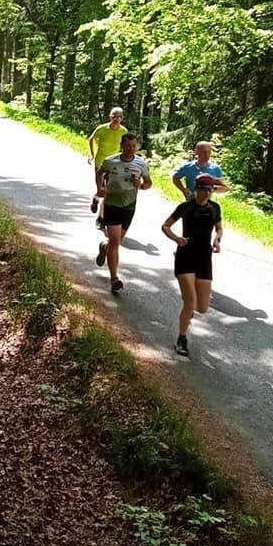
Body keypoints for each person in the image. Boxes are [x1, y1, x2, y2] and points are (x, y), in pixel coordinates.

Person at [161, 173, 223, 358]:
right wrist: (177, 239)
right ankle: (182, 338)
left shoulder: (214, 208)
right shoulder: (186, 207)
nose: (207, 193)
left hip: (204, 258)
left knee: (202, 307)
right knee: (190, 302)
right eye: (203, 190)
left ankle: (188, 314)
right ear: (196, 189)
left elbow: (219, 228)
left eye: (210, 190)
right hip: (185, 256)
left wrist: (217, 240)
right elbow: (165, 226)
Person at [95, 132, 152, 293]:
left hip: (129, 205)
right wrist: (100, 188)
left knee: (116, 242)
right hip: (112, 203)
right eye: (128, 145)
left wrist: (141, 186)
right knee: (115, 241)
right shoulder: (110, 161)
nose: (131, 149)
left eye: (134, 146)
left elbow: (149, 183)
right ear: (121, 145)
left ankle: (104, 248)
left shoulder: (141, 163)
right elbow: (100, 173)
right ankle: (114, 278)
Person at [88, 107, 127, 227]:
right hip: (100, 163)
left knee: (109, 193)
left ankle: (101, 219)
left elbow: (126, 146)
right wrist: (92, 154)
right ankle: (96, 198)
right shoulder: (102, 128)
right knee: (101, 191)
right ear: (110, 116)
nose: (117, 119)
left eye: (120, 117)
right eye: (115, 116)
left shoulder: (123, 131)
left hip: (114, 165)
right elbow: (91, 139)